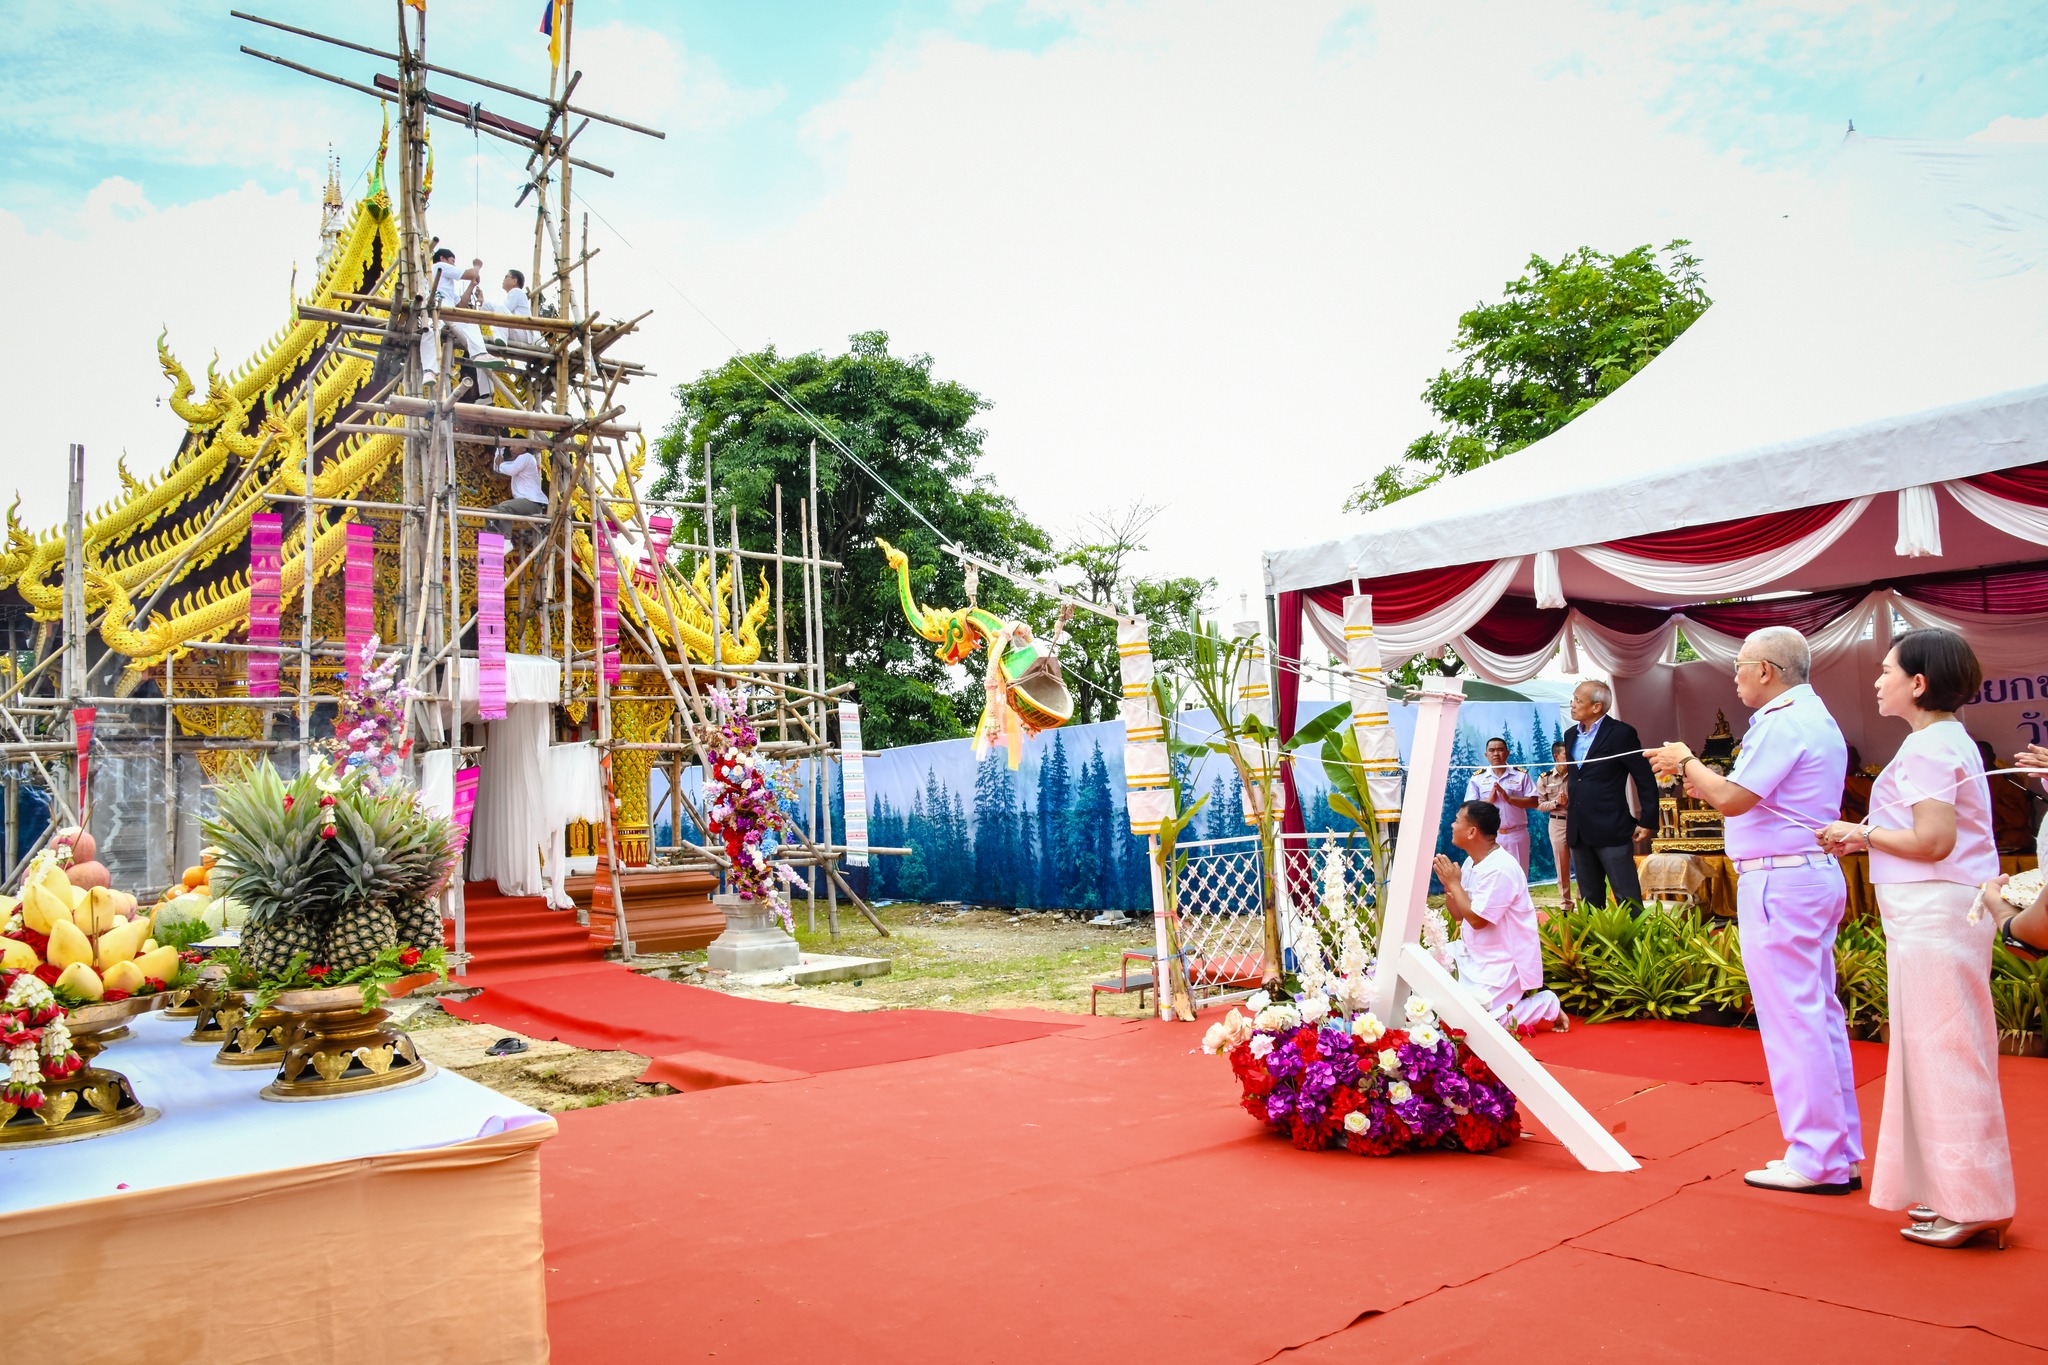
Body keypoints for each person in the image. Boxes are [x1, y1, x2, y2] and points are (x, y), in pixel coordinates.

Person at [1646, 626, 1863, 1197]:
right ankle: (1837, 1150)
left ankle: (1817, 1155)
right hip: (1802, 875)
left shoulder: (1782, 719)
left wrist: (1687, 761)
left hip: (1780, 879)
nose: (1735, 674)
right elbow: (1745, 795)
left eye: (1740, 665)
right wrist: (1706, 779)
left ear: (1767, 670)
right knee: (1817, 1015)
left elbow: (1734, 799)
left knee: (1795, 1020)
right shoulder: (1811, 714)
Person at [1816, 628, 2013, 1249]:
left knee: (1947, 1055)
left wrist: (1863, 833)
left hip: (1935, 915)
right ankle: (1954, 1191)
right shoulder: (1938, 741)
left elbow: (1933, 842)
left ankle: (1974, 1199)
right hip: (1930, 913)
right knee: (1937, 1055)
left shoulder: (1930, 747)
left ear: (1918, 683)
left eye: (1886, 670)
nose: (1878, 680)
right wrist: (1865, 834)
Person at [1435, 800, 1566, 1031]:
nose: (1452, 825)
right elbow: (1458, 915)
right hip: (1475, 956)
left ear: (1472, 831)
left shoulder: (1501, 868)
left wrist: (1454, 883)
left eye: (1457, 820)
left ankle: (1546, 1004)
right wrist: (1449, 886)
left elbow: (1477, 921)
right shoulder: (1470, 862)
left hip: (1503, 963)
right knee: (1448, 1014)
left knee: (1485, 1027)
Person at [1563, 681, 1659, 907]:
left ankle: (1635, 940)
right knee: (1589, 898)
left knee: (1626, 895)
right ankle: (1595, 941)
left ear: (1596, 707)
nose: (1572, 704)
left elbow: (1643, 778)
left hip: (1611, 826)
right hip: (1579, 828)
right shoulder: (1570, 735)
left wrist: (1647, 820)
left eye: (1578, 700)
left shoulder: (1621, 733)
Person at [420, 247, 505, 391]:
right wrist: (477, 266)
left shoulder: (447, 288)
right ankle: (429, 371)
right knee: (430, 330)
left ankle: (479, 354)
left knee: (470, 324)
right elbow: (469, 273)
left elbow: (462, 304)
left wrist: (472, 284)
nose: (453, 265)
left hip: (450, 311)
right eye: (452, 261)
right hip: (436, 308)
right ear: (443, 259)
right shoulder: (439, 266)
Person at [1464, 737, 1540, 874]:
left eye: (1500, 750)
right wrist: (1488, 801)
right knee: (1491, 877)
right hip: (1489, 835)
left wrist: (1510, 799)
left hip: (1516, 834)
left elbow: (1534, 802)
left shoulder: (1520, 775)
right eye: (1491, 750)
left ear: (1507, 752)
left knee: (1519, 876)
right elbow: (1469, 808)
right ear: (1486, 755)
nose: (1496, 754)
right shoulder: (1478, 778)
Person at [1536, 740, 1574, 910]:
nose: (1570, 757)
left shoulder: (1577, 774)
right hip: (1557, 823)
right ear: (1556, 756)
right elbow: (1539, 805)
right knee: (1562, 864)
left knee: (1583, 863)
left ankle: (1584, 900)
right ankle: (1566, 904)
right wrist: (1555, 803)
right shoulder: (1545, 778)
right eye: (1566, 754)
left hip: (1578, 822)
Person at [489, 446, 547, 521]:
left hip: (532, 502)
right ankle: (492, 533)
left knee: (505, 507)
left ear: (524, 448)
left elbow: (510, 470)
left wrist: (499, 463)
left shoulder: (526, 457)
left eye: (514, 446)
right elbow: (497, 468)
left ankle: (506, 533)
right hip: (523, 502)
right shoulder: (516, 462)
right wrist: (500, 449)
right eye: (510, 446)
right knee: (491, 511)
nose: (511, 449)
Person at [499, 269, 535, 349]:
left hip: (521, 331)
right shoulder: (517, 294)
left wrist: (484, 303)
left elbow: (503, 309)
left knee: (499, 314)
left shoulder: (516, 291)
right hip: (521, 332)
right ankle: (499, 339)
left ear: (514, 281)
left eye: (506, 277)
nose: (503, 279)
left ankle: (500, 340)